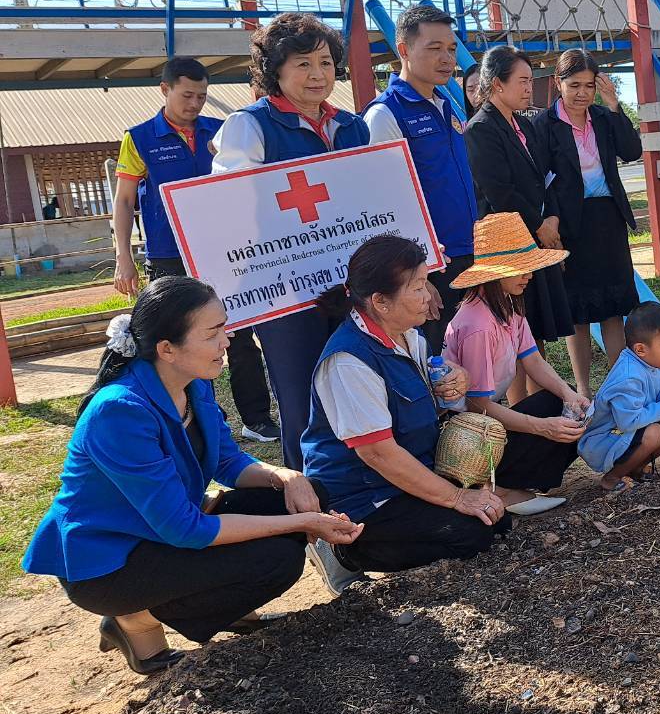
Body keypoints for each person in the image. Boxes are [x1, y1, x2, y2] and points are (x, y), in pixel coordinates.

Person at [21, 277, 361, 674]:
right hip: (110, 563)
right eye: (212, 333)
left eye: (224, 327)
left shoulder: (193, 384)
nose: (227, 341)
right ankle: (133, 620)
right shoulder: (120, 411)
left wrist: (286, 477)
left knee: (305, 493)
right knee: (276, 559)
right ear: (167, 349)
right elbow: (186, 529)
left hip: (160, 530)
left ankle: (228, 609)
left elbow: (228, 462)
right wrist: (303, 523)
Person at [300, 235, 502, 597]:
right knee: (472, 533)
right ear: (380, 301)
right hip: (365, 498)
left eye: (426, 283)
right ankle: (341, 549)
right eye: (418, 287)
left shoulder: (409, 335)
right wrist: (457, 498)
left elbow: (430, 389)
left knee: (495, 522)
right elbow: (378, 454)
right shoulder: (348, 361)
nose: (429, 295)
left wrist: (457, 377)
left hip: (415, 469)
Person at [213, 14, 371, 470]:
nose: (317, 74)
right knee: (302, 395)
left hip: (352, 283)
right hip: (286, 291)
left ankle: (367, 484)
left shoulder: (353, 128)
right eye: (303, 63)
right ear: (275, 70)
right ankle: (309, 496)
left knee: (361, 382)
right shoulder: (250, 126)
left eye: (325, 62)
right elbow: (226, 206)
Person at [113, 56, 276, 443]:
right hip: (169, 254)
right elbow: (124, 201)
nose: (195, 103)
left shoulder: (222, 131)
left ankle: (256, 418)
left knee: (237, 334)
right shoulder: (138, 138)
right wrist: (123, 256)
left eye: (201, 96)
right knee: (179, 341)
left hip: (223, 252)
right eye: (186, 95)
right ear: (165, 89)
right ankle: (199, 421)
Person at [443, 212, 587, 516]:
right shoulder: (479, 325)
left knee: (563, 402)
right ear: (495, 274)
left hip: (483, 421)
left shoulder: (506, 304)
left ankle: (512, 484)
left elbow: (532, 359)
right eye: (519, 269)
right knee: (553, 416)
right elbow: (477, 406)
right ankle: (502, 488)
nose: (528, 275)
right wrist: (542, 427)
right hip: (464, 433)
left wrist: (568, 394)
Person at [363, 4, 477, 352]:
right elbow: (382, 205)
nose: (447, 59)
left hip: (468, 255)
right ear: (404, 50)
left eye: (451, 49)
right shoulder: (385, 115)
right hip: (428, 268)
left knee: (472, 363)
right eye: (434, 48)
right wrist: (415, 275)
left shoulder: (446, 105)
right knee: (437, 366)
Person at [534, 49, 642, 399]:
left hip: (608, 219)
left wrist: (614, 105)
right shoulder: (544, 125)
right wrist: (550, 219)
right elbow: (540, 179)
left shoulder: (604, 117)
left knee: (613, 308)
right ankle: (583, 387)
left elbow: (632, 151)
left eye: (590, 85)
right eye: (575, 85)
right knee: (577, 311)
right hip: (569, 224)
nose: (582, 93)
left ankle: (618, 384)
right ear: (558, 83)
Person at [463, 45, 574, 379]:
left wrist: (552, 218)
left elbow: (545, 177)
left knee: (533, 328)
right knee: (511, 328)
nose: (529, 88)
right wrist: (540, 225)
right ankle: (520, 403)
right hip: (508, 243)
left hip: (536, 237)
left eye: (530, 80)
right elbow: (500, 192)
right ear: (498, 83)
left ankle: (540, 402)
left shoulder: (523, 125)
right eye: (522, 81)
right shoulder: (481, 128)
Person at [578, 302, 660, 493]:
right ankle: (611, 478)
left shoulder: (651, 363)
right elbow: (629, 421)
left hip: (624, 434)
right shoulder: (629, 377)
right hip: (603, 441)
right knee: (654, 433)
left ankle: (635, 469)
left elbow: (657, 397)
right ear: (641, 349)